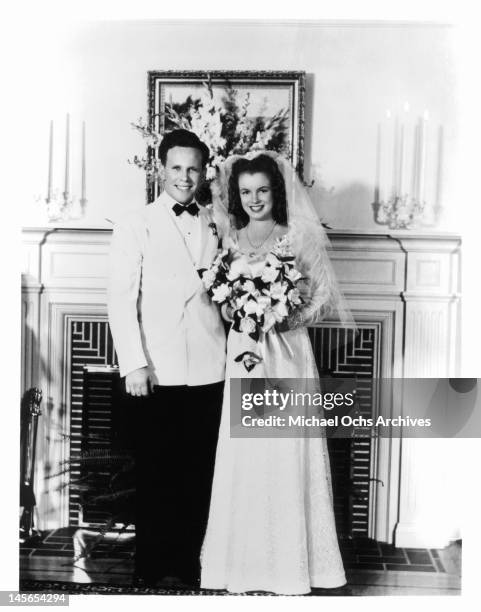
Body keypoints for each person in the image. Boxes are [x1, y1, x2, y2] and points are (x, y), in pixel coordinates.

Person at [200, 152, 351, 595]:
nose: (254, 199)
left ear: (277, 192)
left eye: (262, 190)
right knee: (246, 453)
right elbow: (220, 294)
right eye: (246, 192)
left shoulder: (297, 236)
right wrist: (235, 308)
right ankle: (243, 565)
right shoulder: (229, 238)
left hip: (285, 353)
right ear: (237, 195)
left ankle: (289, 565)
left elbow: (321, 298)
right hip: (245, 353)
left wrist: (284, 316)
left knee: (283, 449)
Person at [107, 129, 226, 587]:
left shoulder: (217, 221)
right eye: (176, 168)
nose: (185, 177)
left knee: (199, 475)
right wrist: (133, 363)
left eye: (193, 168)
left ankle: (191, 565)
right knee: (158, 475)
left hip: (210, 366)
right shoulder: (135, 223)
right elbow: (120, 299)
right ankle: (152, 573)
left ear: (203, 171)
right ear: (161, 170)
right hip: (157, 370)